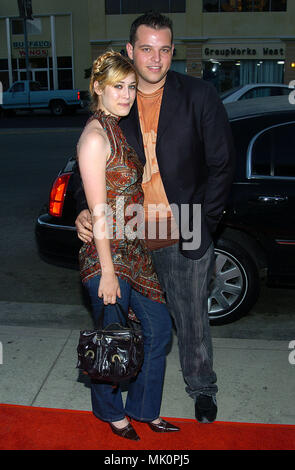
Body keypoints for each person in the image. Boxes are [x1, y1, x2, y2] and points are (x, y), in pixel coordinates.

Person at [74, 12, 235, 424]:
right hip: (129, 235)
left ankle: (202, 388)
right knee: (139, 325)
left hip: (184, 228)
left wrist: (205, 224)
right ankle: (126, 401)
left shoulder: (198, 95)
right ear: (131, 50)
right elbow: (89, 165)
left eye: (164, 49)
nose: (155, 58)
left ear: (172, 52)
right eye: (146, 48)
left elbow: (221, 165)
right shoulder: (119, 100)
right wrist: (82, 209)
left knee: (193, 319)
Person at [76, 50, 179, 441]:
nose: (126, 94)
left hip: (134, 251)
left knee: (158, 330)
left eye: (131, 86)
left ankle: (144, 408)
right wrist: (105, 271)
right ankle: (111, 413)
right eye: (118, 86)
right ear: (98, 88)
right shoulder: (95, 136)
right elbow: (98, 209)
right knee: (113, 340)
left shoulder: (118, 127)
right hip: (109, 257)